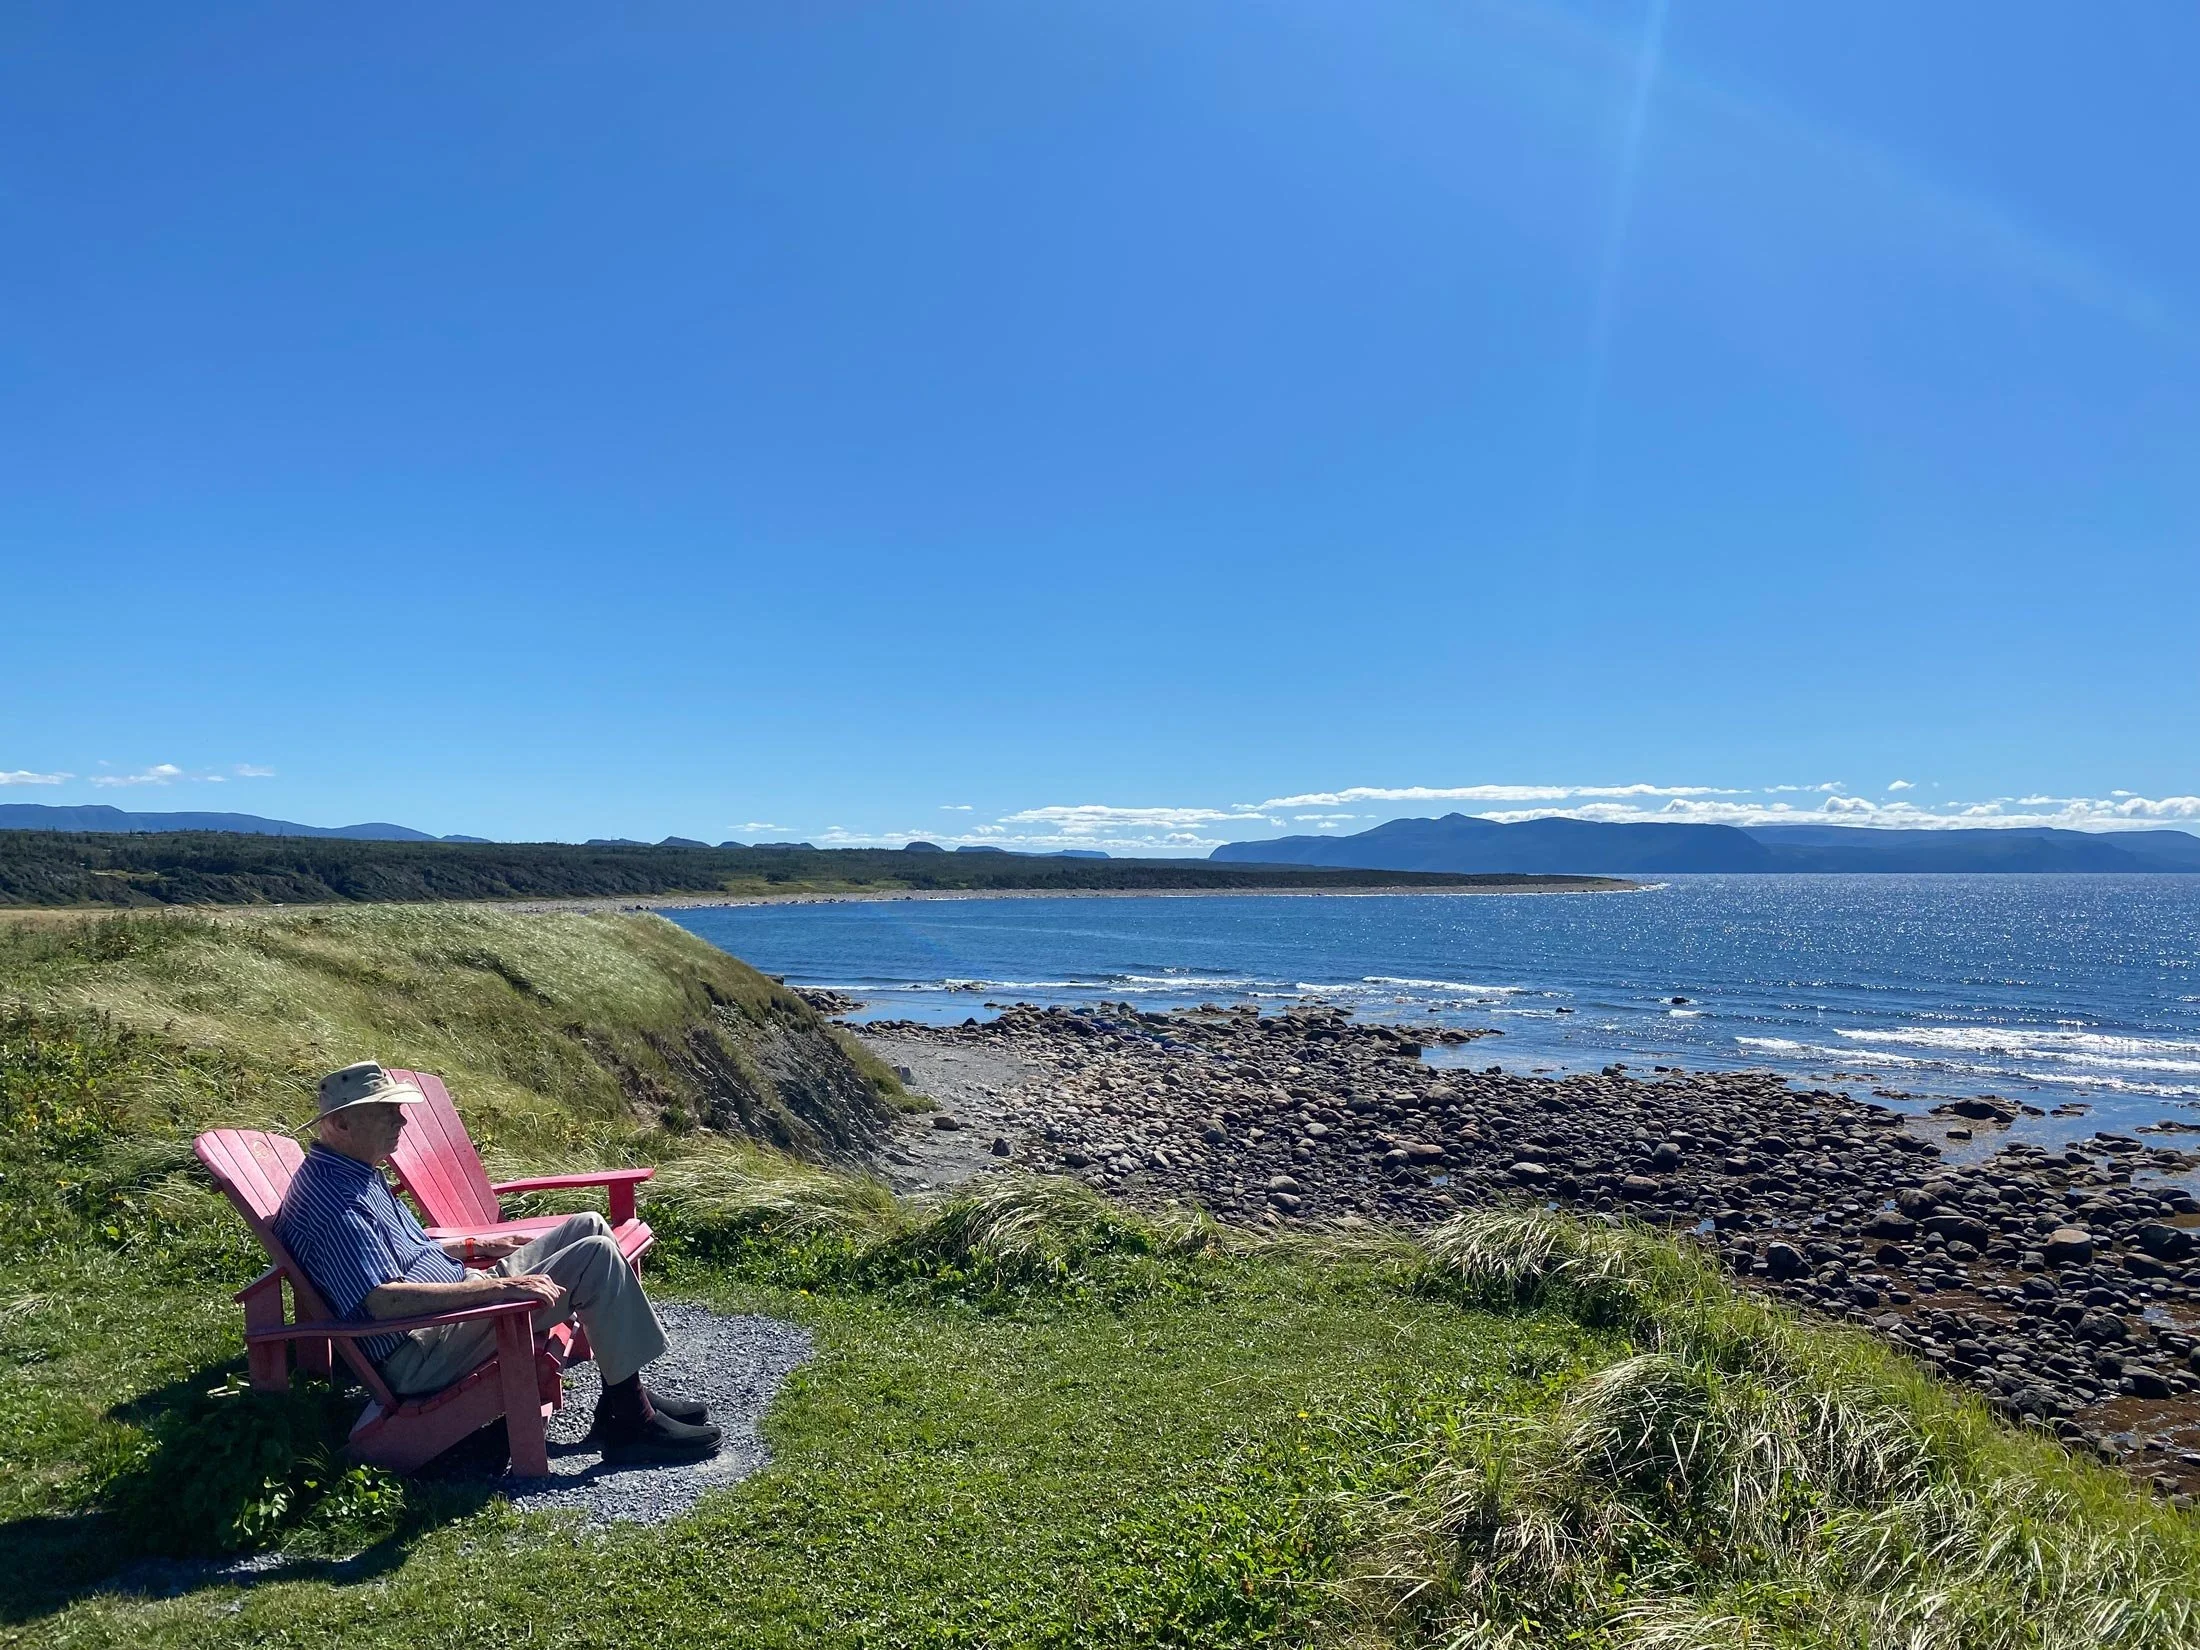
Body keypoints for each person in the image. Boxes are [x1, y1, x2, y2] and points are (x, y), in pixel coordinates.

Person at [272, 1060, 720, 1463]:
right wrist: (499, 1288)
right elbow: (382, 1303)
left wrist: (475, 1248)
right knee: (595, 1258)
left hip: (453, 1310)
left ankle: (623, 1399)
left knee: (589, 1225)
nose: (402, 1119)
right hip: (423, 1349)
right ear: (342, 1123)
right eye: (386, 1111)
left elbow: (407, 1252)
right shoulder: (334, 1203)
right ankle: (631, 1423)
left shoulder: (353, 1173)